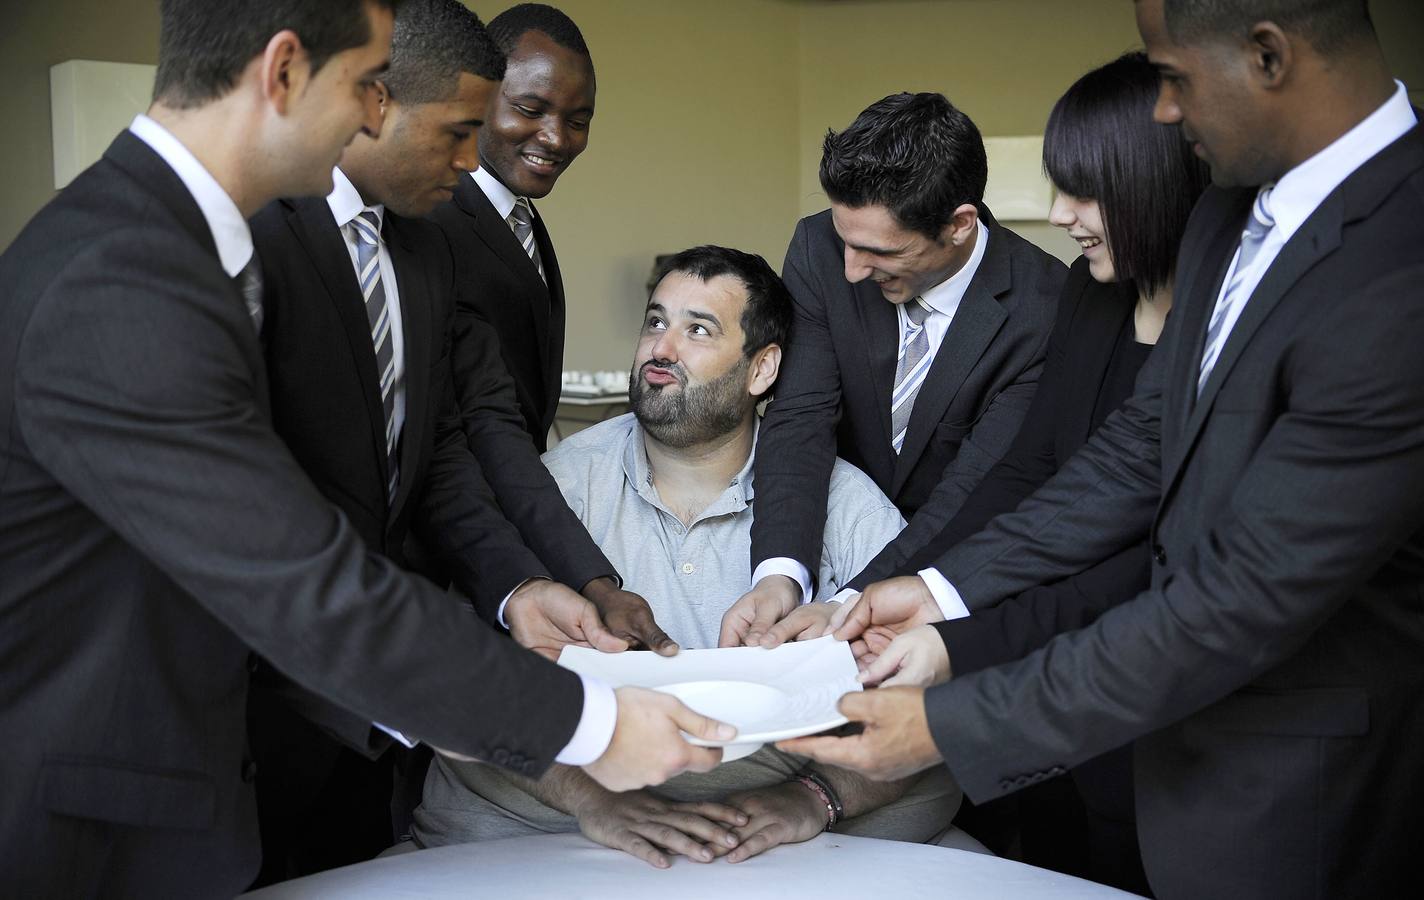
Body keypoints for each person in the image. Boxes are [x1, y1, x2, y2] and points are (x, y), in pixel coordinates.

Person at [0, 2, 732, 895]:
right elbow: (302, 581)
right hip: (92, 815)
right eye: (366, 86)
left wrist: (521, 603)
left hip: (230, 767)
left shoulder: (171, 247)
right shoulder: (124, 275)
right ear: (282, 73)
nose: (374, 114)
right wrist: (589, 726)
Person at [783, 1, 1424, 897]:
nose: (1164, 111)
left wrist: (948, 720)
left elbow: (1240, 597)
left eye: (1172, 78)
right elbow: (1129, 457)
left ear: (1268, 56)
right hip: (1167, 750)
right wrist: (933, 590)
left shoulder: (1401, 263)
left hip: (1305, 779)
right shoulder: (1225, 224)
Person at [770, 51, 1209, 895]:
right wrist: (930, 590)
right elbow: (1037, 474)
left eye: (1084, 191)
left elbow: (1147, 552)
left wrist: (952, 632)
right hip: (1034, 683)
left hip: (1139, 691)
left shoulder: (1161, 313)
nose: (1058, 215)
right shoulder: (1093, 292)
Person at [407, 246, 959, 865]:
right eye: (654, 322)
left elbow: (939, 701)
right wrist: (594, 801)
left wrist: (815, 798)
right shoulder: (550, 490)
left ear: (763, 369)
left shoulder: (847, 505)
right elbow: (453, 686)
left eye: (698, 330)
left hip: (790, 843)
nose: (661, 350)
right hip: (548, 830)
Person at [248, 0, 631, 880]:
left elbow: (448, 454)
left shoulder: (419, 246)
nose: (471, 164)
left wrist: (523, 588)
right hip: (268, 688)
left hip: (380, 701)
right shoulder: (260, 233)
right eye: (463, 131)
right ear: (376, 103)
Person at [723, 91, 1066, 648]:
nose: (853, 271)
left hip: (958, 585)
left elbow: (978, 487)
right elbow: (801, 416)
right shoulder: (818, 248)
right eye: (846, 242)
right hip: (830, 545)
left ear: (958, 225)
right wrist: (780, 576)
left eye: (880, 252)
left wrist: (850, 604)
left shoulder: (1045, 307)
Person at [431, 3, 595, 453]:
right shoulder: (430, 218)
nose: (556, 137)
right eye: (529, 109)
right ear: (478, 94)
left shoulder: (524, 218)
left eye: (578, 122)